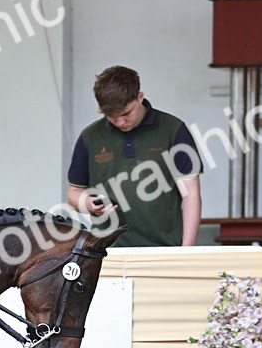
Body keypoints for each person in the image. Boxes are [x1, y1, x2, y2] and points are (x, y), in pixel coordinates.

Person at [66, 66, 202, 247]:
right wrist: (89, 204)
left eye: (126, 113)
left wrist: (187, 251)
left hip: (164, 249)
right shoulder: (90, 136)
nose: (120, 122)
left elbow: (191, 194)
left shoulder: (173, 130)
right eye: (111, 116)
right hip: (105, 251)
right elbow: (74, 193)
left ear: (140, 97)